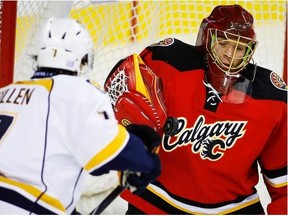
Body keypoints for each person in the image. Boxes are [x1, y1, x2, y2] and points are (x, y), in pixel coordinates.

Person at [104, 4, 287, 215]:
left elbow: (284, 185)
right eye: (224, 43)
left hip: (232, 210)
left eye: (239, 48)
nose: (230, 54)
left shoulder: (272, 99)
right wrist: (131, 153)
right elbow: (125, 99)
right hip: (155, 201)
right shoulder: (166, 62)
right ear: (207, 39)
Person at [0, 17, 162, 214]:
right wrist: (146, 160)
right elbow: (114, 154)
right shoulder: (77, 93)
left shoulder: (6, 93)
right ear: (83, 59)